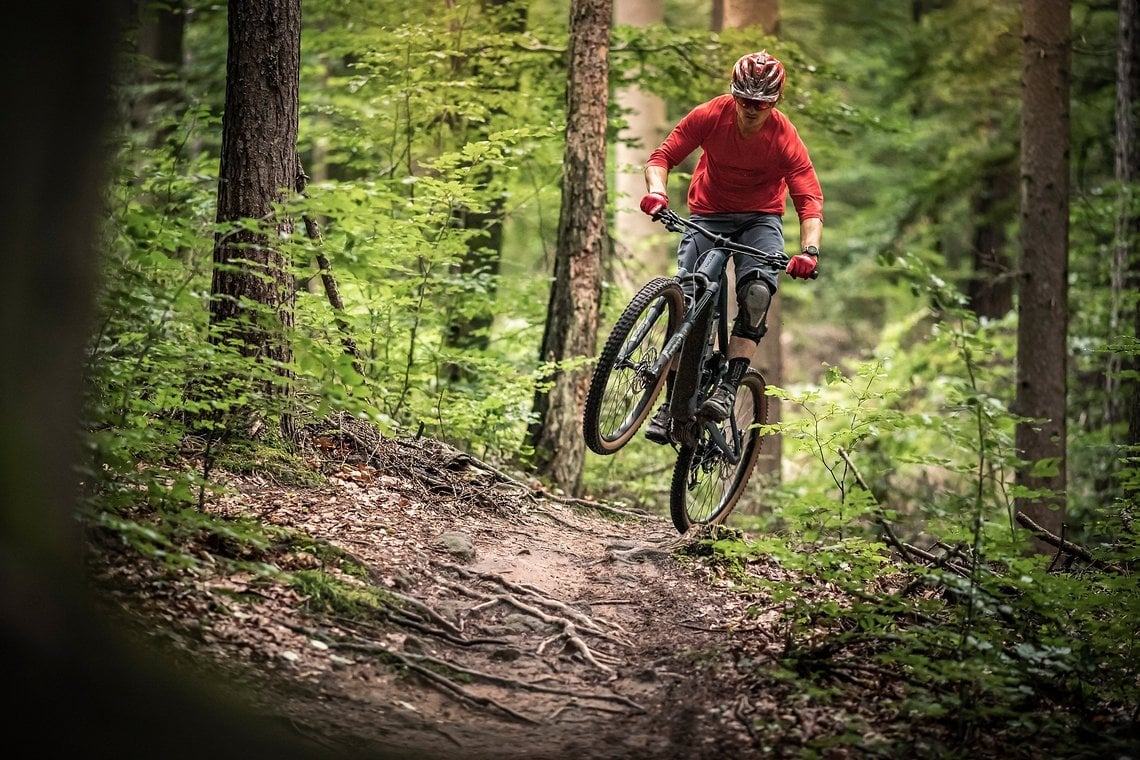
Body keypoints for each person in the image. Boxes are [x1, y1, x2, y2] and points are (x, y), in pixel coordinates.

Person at [639, 50, 823, 444]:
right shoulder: (711, 115)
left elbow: (808, 200)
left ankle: (728, 385)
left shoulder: (784, 138)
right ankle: (668, 402)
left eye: (761, 103)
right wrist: (657, 193)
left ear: (774, 103)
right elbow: (663, 156)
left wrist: (809, 251)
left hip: (761, 219)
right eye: (744, 100)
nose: (751, 109)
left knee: (757, 293)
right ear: (733, 94)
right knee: (687, 297)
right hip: (708, 213)